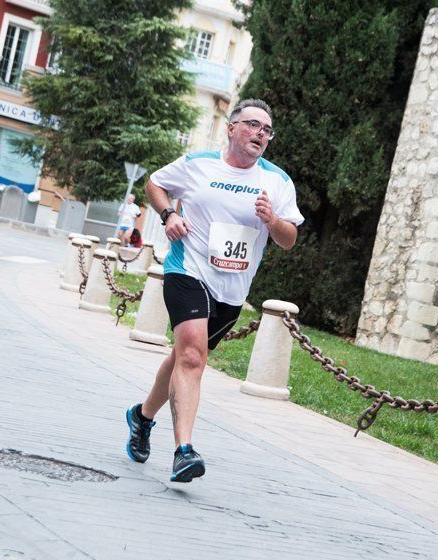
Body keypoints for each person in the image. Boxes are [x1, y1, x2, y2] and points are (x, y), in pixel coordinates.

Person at [124, 99, 304, 482]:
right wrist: (169, 215)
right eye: (253, 125)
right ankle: (183, 451)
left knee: (182, 358)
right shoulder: (197, 164)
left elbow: (289, 239)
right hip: (186, 270)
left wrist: (272, 220)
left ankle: (142, 417)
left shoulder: (277, 182)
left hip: (231, 289)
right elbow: (154, 183)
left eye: (267, 130)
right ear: (232, 127)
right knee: (192, 356)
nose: (260, 134)